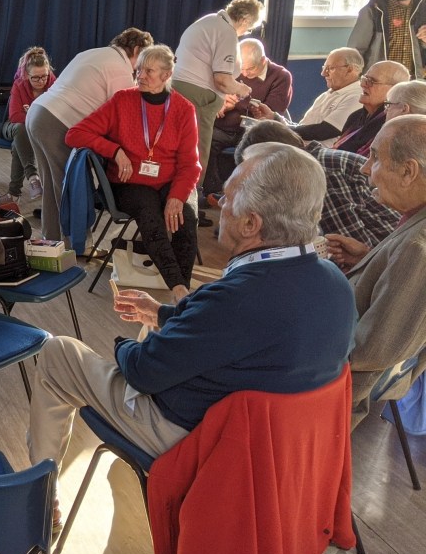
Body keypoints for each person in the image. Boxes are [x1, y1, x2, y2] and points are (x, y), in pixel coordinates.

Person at [27, 143, 356, 515]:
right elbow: (231, 334)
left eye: (226, 198)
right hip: (281, 452)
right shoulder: (336, 284)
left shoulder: (236, 298)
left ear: (251, 225)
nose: (219, 204)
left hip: (198, 440)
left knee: (58, 352)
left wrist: (121, 346)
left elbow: (143, 371)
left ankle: (41, 495)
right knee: (152, 328)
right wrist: (162, 315)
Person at [65, 45, 201, 302]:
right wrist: (114, 150)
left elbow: (190, 164)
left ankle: (182, 291)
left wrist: (177, 196)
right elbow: (75, 134)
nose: (141, 76)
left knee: (185, 216)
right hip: (128, 184)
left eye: (149, 71)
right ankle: (179, 289)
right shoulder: (122, 101)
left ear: (166, 75)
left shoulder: (184, 109)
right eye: (138, 70)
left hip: (168, 181)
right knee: (149, 212)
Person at [322, 116, 426, 426]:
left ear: (408, 171)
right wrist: (369, 259)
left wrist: (300, 339)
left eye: (375, 157)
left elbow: (376, 348)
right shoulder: (415, 224)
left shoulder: (419, 248)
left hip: (333, 388)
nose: (366, 169)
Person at [26, 28, 153, 240]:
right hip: (56, 122)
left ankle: (52, 242)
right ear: (137, 49)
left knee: (53, 186)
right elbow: (126, 116)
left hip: (37, 113)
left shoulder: (93, 53)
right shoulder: (120, 68)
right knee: (69, 189)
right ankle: (75, 247)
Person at [236, 120, 399, 247]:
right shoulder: (322, 160)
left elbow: (350, 245)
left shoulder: (316, 173)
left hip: (389, 257)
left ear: (274, 163)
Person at [172, 0, 262, 198]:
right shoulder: (226, 32)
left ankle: (183, 197)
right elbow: (222, 79)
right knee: (197, 151)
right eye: (249, 28)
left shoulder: (209, 21)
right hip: (197, 97)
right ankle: (190, 200)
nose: (246, 32)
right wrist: (241, 89)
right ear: (245, 20)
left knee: (181, 148)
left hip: (181, 89)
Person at [203, 37, 292, 196]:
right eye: (241, 68)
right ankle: (213, 191)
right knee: (203, 139)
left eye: (250, 69)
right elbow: (213, 94)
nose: (243, 73)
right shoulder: (232, 69)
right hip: (224, 127)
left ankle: (245, 194)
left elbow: (269, 111)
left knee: (254, 148)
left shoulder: (281, 76)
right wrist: (221, 102)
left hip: (253, 131)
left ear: (263, 61)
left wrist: (237, 102)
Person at [250, 47, 364, 147]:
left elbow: (322, 131)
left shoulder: (356, 97)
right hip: (301, 148)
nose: (323, 73)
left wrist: (277, 127)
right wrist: (274, 117)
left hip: (317, 155)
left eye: (330, 68)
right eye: (324, 67)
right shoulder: (327, 95)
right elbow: (303, 128)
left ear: (350, 70)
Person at [348, 0, 426, 79]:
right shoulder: (374, 10)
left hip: (412, 82)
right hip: (378, 81)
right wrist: (357, 82)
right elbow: (354, 52)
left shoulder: (423, 9)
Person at [0, 47, 55, 203]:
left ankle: (14, 194)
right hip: (13, 126)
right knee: (20, 130)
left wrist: (31, 114)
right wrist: (35, 116)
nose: (41, 81)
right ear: (27, 75)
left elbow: (56, 114)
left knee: (18, 145)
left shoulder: (54, 84)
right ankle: (33, 176)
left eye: (44, 76)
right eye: (35, 78)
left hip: (39, 129)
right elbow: (15, 116)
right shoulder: (19, 84)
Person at [332, 60, 409, 155]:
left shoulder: (390, 124)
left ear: (394, 89)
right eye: (364, 79)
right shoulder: (355, 116)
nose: (362, 84)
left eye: (371, 81)